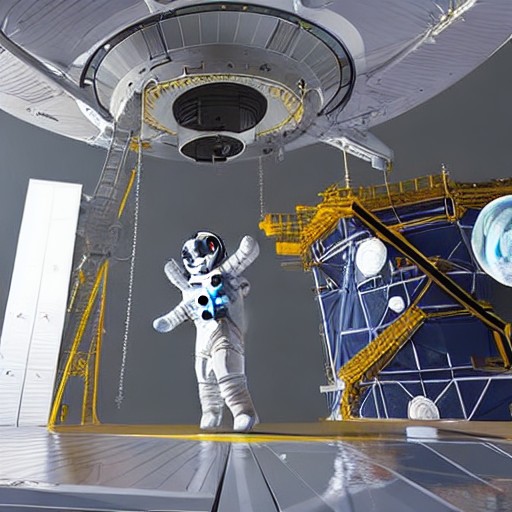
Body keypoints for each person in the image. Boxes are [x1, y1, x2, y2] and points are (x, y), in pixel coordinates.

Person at [153, 231, 259, 432]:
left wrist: (246, 249)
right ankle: (211, 411)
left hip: (225, 333)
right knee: (204, 375)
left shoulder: (224, 275)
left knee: (226, 368)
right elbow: (183, 310)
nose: (196, 258)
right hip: (203, 339)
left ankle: (242, 411)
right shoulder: (190, 289)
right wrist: (168, 321)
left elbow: (244, 255)